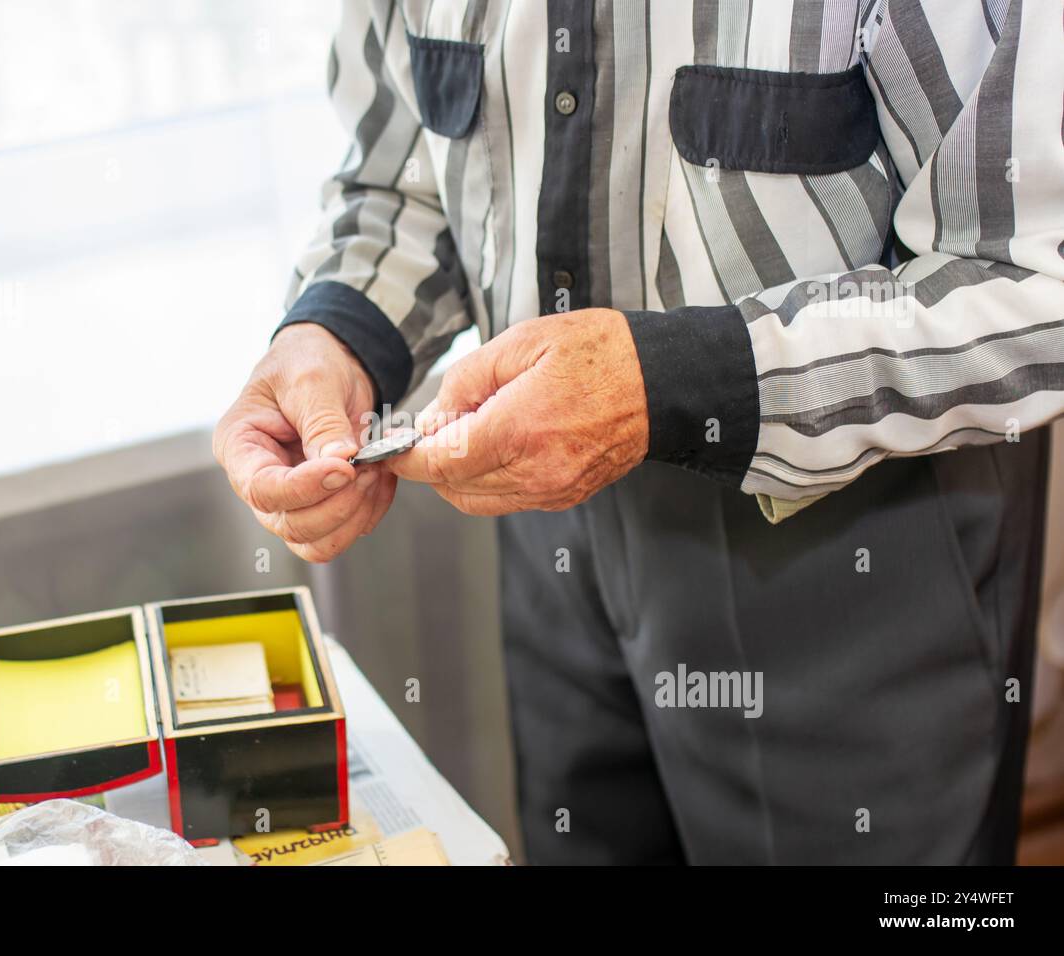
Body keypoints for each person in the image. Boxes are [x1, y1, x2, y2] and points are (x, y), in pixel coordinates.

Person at [214, 0, 1063, 864]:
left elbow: (1035, 277)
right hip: (551, 538)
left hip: (861, 558)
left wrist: (662, 384)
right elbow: (404, 169)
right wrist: (333, 335)